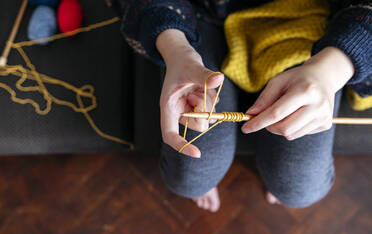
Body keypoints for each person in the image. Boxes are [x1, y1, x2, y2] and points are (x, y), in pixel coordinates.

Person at [114, 0, 372, 212]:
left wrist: (330, 70)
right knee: (190, 179)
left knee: (300, 186)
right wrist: (174, 46)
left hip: (310, 25)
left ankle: (277, 173)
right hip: (197, 17)